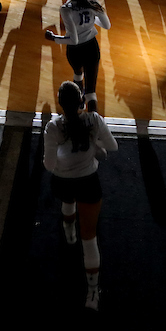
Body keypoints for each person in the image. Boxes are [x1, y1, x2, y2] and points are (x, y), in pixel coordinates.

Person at [42, 79, 118, 311]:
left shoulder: (53, 127)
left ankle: (68, 234)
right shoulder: (94, 120)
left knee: (67, 201)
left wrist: (65, 168)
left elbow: (48, 165)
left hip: (63, 182)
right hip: (88, 182)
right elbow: (112, 147)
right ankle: (92, 293)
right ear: (82, 100)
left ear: (59, 103)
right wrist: (94, 147)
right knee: (90, 238)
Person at [45, 0, 110, 114]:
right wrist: (92, 21)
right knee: (91, 91)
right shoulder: (93, 1)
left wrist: (54, 38)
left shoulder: (66, 9)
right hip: (92, 47)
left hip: (75, 51)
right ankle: (94, 122)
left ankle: (78, 106)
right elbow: (107, 25)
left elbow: (73, 39)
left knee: (77, 73)